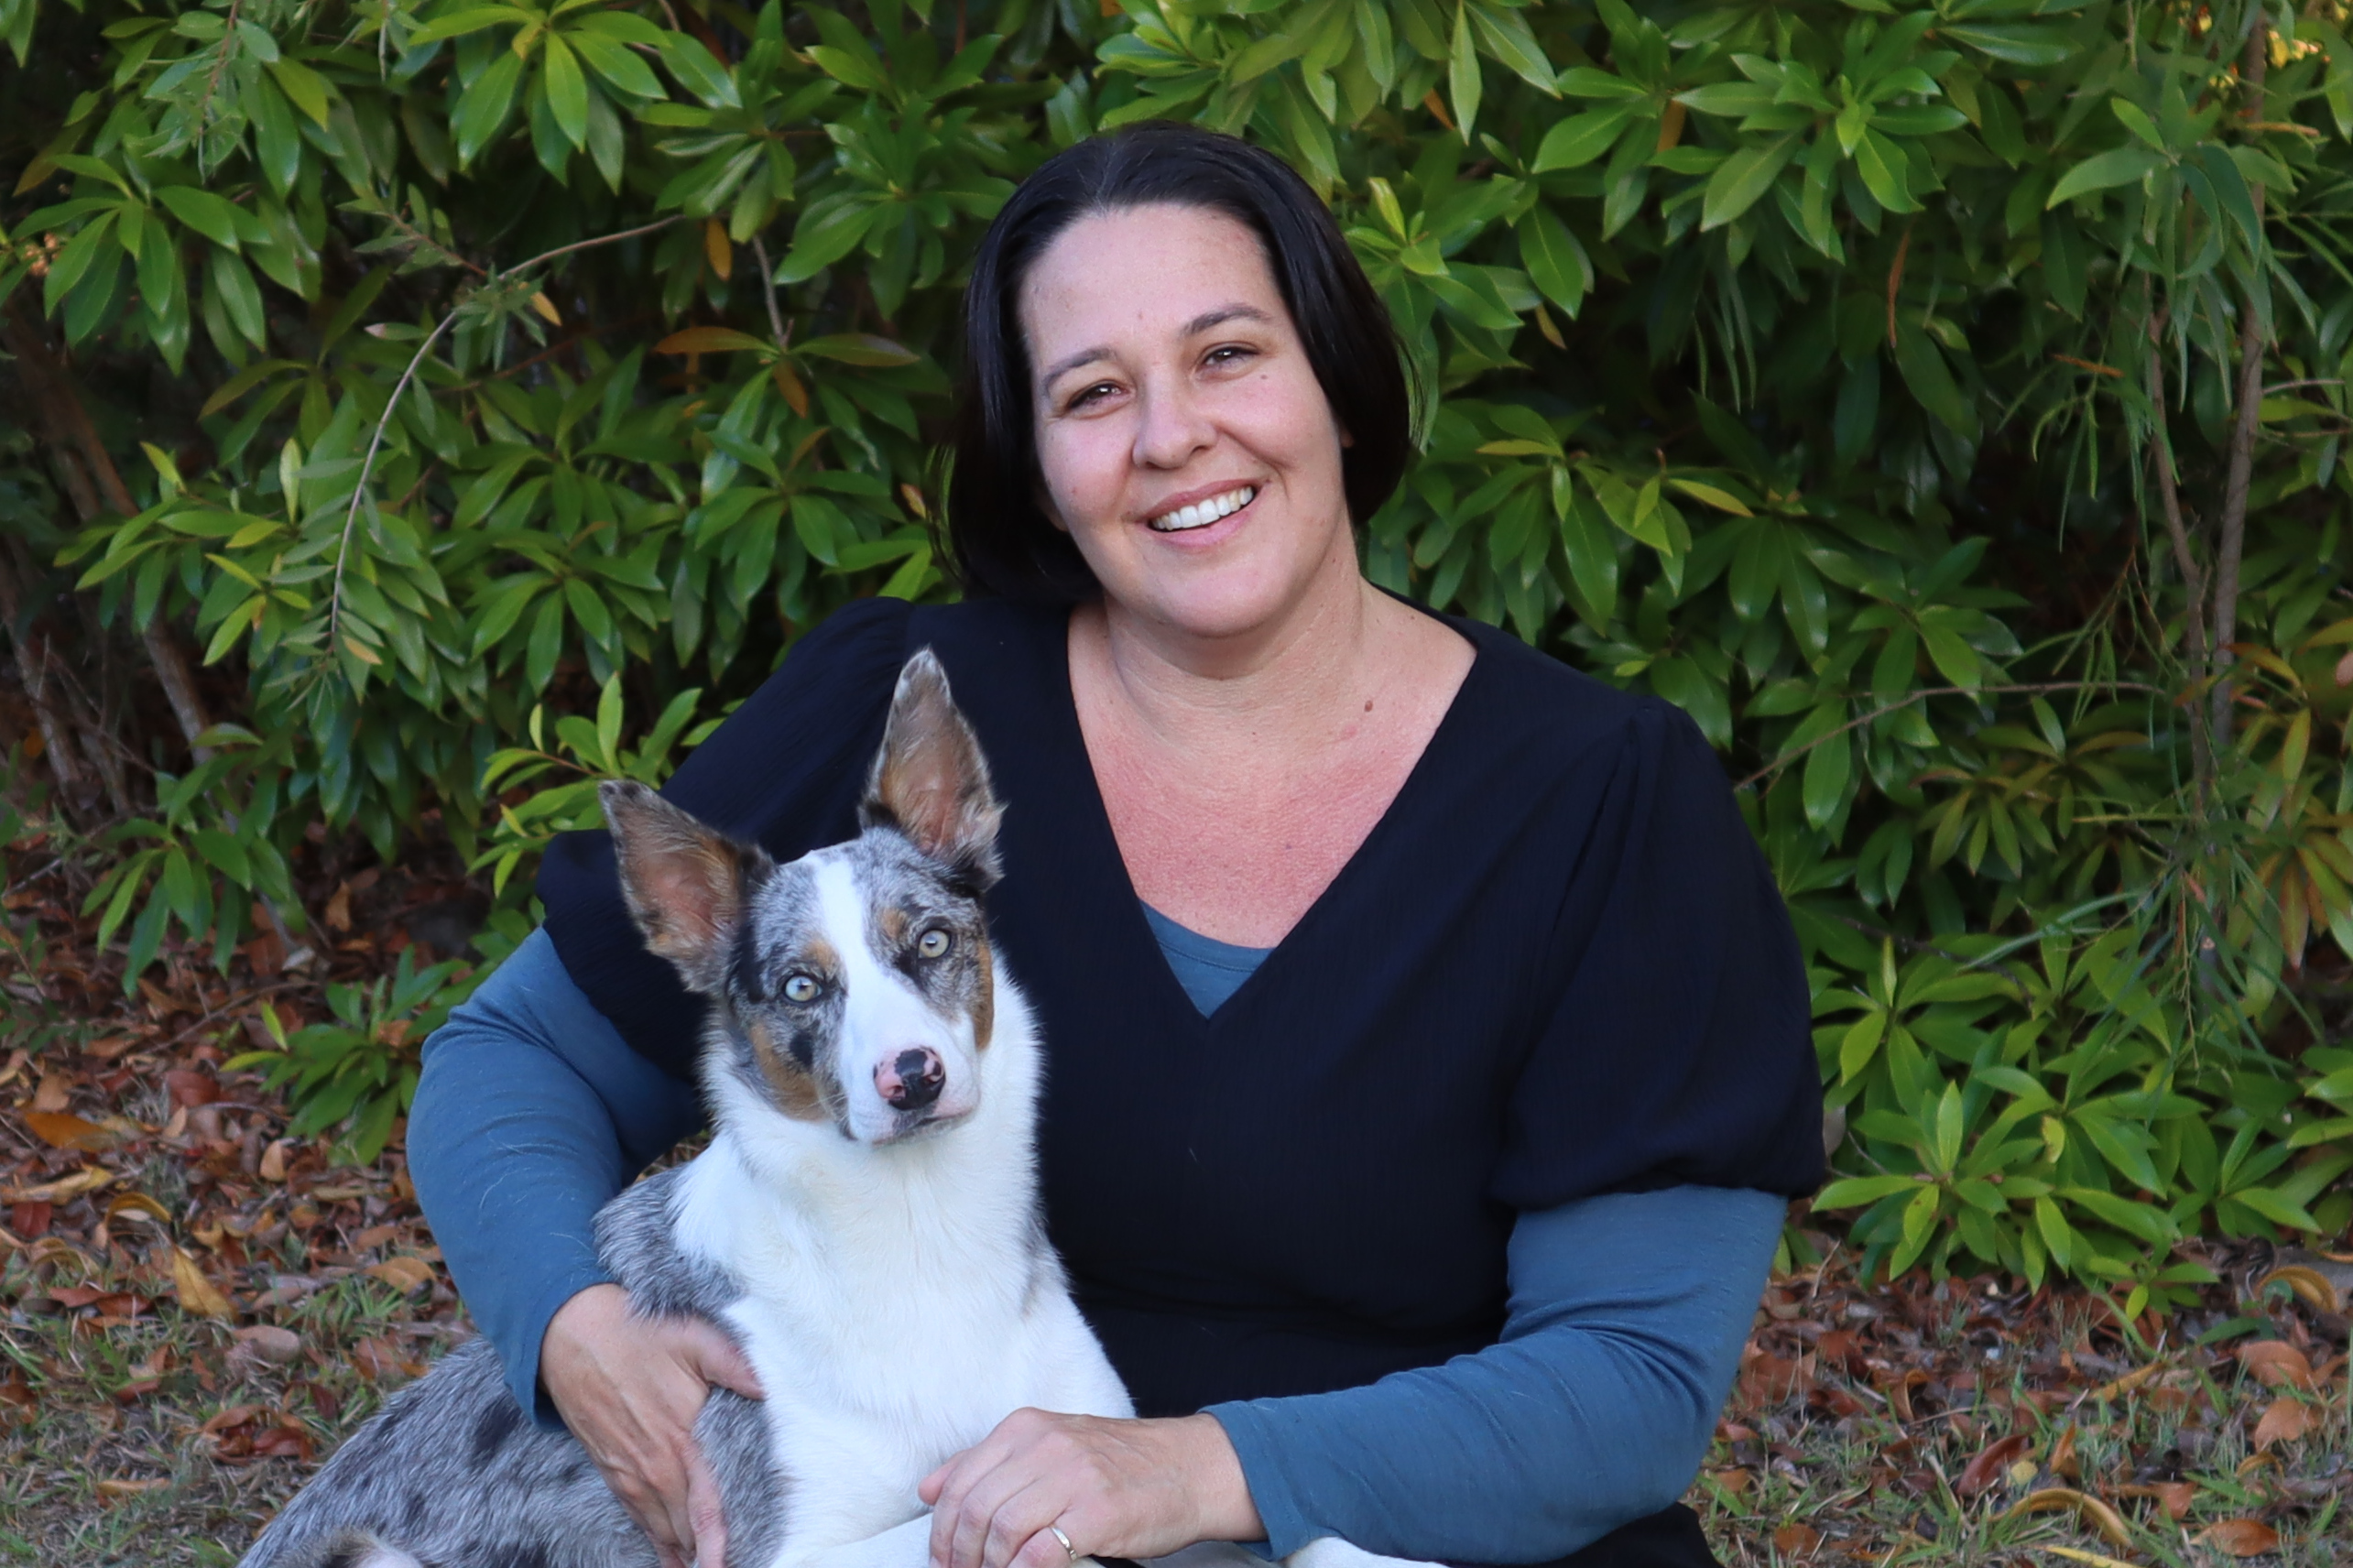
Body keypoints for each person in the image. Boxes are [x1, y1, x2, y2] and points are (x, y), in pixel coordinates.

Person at [409, 122, 1824, 1568]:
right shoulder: (906, 720)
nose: (1169, 438)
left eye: (1226, 356)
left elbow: (1631, 1384)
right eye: (1093, 392)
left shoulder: (1598, 802)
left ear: (1337, 380)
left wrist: (1197, 1471)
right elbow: (511, 1062)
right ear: (1035, 465)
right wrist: (574, 1329)